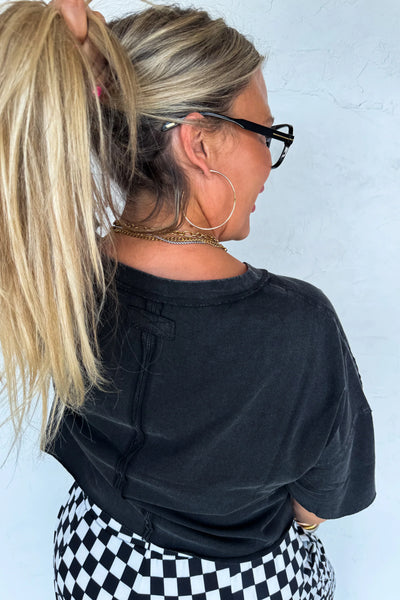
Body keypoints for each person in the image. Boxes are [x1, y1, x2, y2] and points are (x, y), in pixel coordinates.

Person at [0, 1, 375, 599]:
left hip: (94, 559)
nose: (270, 162)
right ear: (199, 141)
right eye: (267, 134)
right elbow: (319, 504)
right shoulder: (298, 324)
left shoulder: (57, 275)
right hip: (239, 581)